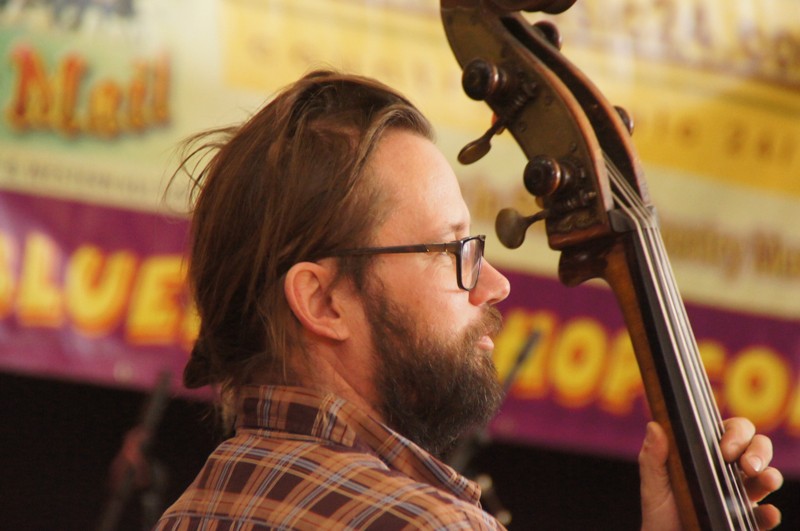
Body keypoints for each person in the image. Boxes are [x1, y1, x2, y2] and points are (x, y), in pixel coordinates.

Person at [155, 70, 783, 530]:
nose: (494, 284)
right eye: (452, 250)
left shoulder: (189, 513)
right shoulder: (431, 526)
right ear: (322, 302)